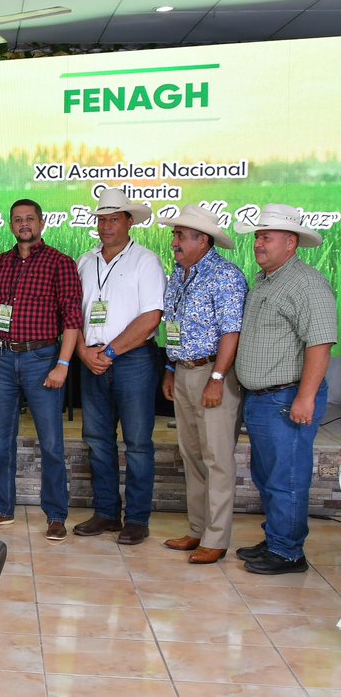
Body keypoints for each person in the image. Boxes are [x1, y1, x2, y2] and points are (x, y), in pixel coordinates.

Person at [0, 199, 82, 540]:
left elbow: (73, 319)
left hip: (42, 359)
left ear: (42, 223)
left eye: (29, 219)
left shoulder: (60, 263)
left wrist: (63, 364)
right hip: (3, 360)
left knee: (51, 443)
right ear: (10, 224)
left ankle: (56, 515)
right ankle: (0, 508)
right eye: (17, 219)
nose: (24, 224)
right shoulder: (1, 264)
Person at [234, 204, 336, 575]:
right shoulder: (267, 280)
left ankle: (288, 553)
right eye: (258, 236)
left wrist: (305, 397)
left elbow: (320, 344)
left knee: (286, 477)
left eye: (267, 237)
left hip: (286, 397)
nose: (259, 243)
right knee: (268, 476)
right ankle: (277, 539)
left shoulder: (307, 283)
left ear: (291, 242)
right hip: (263, 399)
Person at [73, 188, 165, 545]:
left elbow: (152, 317)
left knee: (138, 443)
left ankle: (137, 519)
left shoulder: (146, 260)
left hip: (132, 361)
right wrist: (83, 351)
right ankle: (107, 513)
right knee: (97, 441)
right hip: (90, 359)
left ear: (129, 222)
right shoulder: (84, 260)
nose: (107, 225)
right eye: (102, 219)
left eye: (114, 218)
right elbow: (71, 314)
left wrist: (109, 353)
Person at [158, 205, 247, 564]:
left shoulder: (225, 276)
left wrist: (217, 378)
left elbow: (231, 332)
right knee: (191, 455)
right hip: (182, 372)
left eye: (181, 235)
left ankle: (217, 537)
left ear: (202, 240)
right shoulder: (178, 274)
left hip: (213, 374)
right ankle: (196, 529)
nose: (174, 241)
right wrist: (169, 368)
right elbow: (174, 327)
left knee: (217, 458)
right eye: (175, 234)